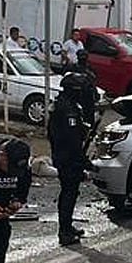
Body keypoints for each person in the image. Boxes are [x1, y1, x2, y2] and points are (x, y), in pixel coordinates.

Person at [48, 71, 96, 246]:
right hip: (67, 158)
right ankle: (64, 231)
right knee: (69, 193)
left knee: (71, 192)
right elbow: (72, 140)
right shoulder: (67, 109)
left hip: (64, 155)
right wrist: (84, 162)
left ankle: (67, 227)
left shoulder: (65, 104)